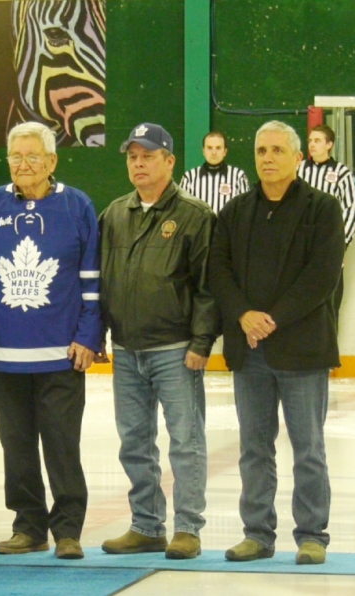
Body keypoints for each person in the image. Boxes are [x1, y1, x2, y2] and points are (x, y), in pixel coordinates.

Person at [0, 121, 100, 561]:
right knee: (16, 446)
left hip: (62, 354)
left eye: (33, 157)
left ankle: (68, 530)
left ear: (52, 161)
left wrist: (88, 335)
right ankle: (28, 525)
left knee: (62, 444)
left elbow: (93, 281)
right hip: (4, 355)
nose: (23, 165)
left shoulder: (77, 206)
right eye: (16, 157)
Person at [208, 120, 344, 566]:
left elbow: (322, 276)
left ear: (298, 157)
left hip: (302, 350)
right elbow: (219, 272)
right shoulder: (234, 212)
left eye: (277, 151)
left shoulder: (321, 209)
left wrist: (273, 319)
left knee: (308, 448)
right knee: (254, 448)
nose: (267, 158)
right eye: (261, 150)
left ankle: (311, 535)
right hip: (249, 350)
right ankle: (257, 534)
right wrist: (244, 314)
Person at [98, 123, 218, 560]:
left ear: (169, 161)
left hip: (175, 350)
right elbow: (99, 282)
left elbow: (208, 287)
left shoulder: (195, 215)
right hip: (126, 350)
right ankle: (147, 526)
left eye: (148, 155)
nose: (138, 163)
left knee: (185, 440)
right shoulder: (113, 214)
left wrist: (201, 342)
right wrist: (100, 336)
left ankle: (187, 527)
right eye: (132, 156)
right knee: (134, 441)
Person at [297, 124, 355, 317]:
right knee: (299, 302)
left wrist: (341, 243)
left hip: (329, 245)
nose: (312, 145)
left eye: (317, 141)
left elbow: (352, 210)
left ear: (329, 144)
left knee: (330, 305)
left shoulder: (342, 173)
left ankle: (328, 347)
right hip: (301, 246)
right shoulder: (297, 170)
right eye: (310, 141)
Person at [179, 131, 249, 214]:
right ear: (203, 151)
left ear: (225, 152)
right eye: (209, 148)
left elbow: (245, 210)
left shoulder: (238, 176)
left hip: (229, 227)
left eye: (218, 148)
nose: (214, 153)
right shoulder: (189, 178)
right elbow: (182, 211)